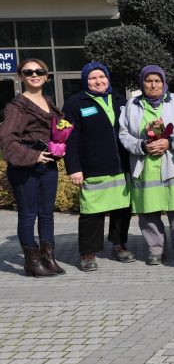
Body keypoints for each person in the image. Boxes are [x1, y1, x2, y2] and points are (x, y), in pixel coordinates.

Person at [118, 65, 174, 265]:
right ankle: (155, 249)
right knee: (147, 211)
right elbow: (124, 133)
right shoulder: (132, 104)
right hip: (145, 165)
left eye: (157, 81)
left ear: (164, 82)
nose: (153, 85)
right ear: (142, 83)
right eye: (149, 81)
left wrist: (169, 142)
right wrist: (141, 145)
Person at [62, 62, 134, 271]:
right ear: (86, 81)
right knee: (91, 213)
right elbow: (70, 139)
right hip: (93, 168)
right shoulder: (76, 103)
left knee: (122, 210)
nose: (98, 81)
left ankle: (119, 245)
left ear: (108, 78)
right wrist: (74, 168)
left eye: (101, 77)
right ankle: (87, 253)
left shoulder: (121, 100)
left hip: (121, 167)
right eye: (92, 78)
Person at [0, 58, 66, 276]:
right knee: (28, 215)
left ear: (47, 76)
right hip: (25, 166)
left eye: (39, 71)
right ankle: (31, 262)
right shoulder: (16, 106)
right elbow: (8, 141)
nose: (34, 75)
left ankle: (49, 258)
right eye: (28, 72)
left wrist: (59, 146)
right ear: (21, 77)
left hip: (48, 165)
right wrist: (33, 155)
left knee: (46, 214)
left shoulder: (49, 102)